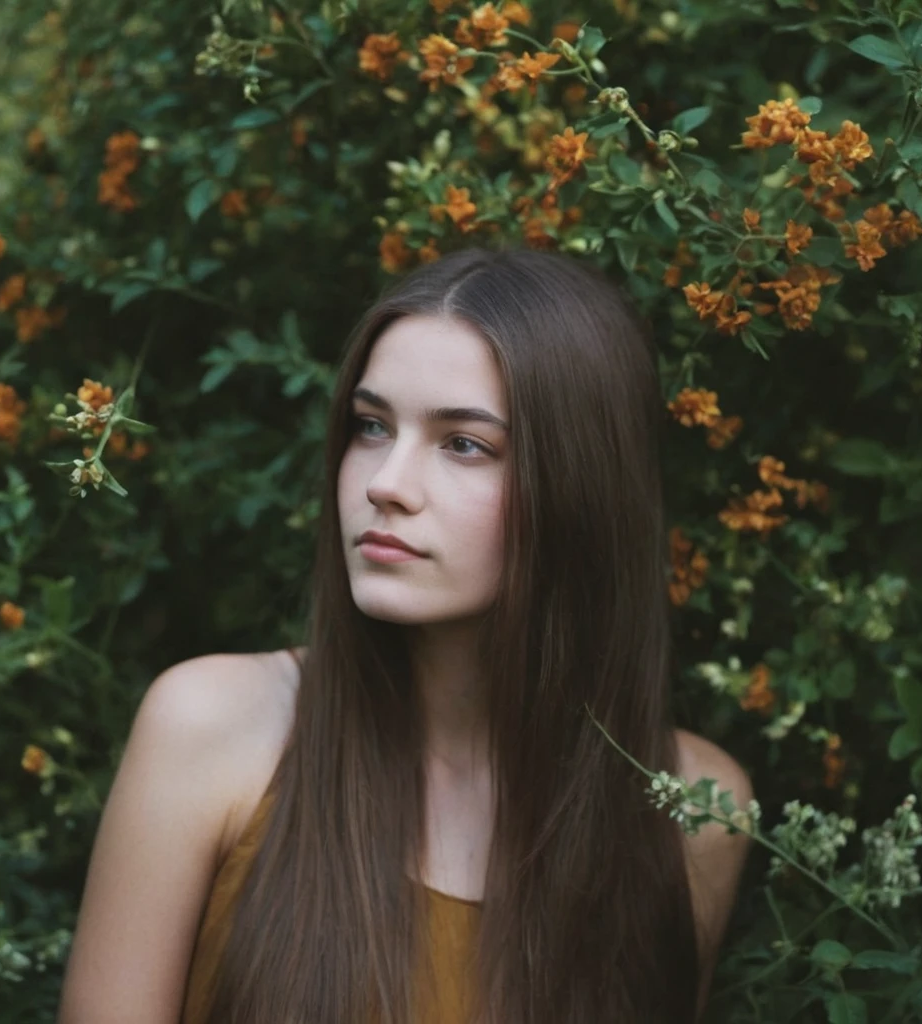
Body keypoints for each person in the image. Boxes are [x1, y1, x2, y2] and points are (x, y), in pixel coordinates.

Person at [57, 246, 755, 1023]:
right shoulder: (214, 728)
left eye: (464, 444)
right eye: (370, 425)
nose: (386, 483)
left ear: (580, 489)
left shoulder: (695, 811)